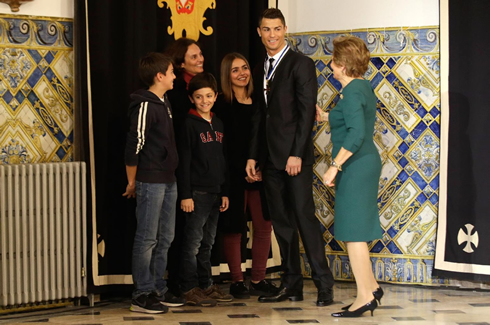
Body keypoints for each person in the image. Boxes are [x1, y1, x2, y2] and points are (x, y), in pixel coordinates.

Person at [245, 8, 334, 306]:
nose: (272, 35)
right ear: (259, 31)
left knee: (304, 219)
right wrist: (252, 156)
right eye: (266, 29)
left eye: (277, 29)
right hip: (269, 159)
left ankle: (324, 285)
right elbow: (260, 115)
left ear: (285, 30)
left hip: (294, 158)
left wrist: (296, 153)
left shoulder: (301, 63)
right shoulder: (260, 69)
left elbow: (307, 111)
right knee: (281, 223)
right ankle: (292, 285)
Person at [316, 35, 383, 318]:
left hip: (355, 165)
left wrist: (335, 166)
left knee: (354, 233)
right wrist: (327, 117)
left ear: (342, 64)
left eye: (333, 61)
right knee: (357, 230)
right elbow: (356, 119)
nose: (331, 66)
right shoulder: (361, 87)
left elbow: (356, 133)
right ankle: (372, 287)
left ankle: (365, 297)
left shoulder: (353, 91)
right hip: (364, 163)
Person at [123, 52, 186, 314]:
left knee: (165, 237)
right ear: (159, 76)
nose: (175, 76)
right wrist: (132, 181)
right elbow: (133, 145)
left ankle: (158, 286)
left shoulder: (165, 101)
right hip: (150, 180)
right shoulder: (145, 104)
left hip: (168, 179)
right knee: (147, 238)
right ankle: (142, 293)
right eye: (171, 72)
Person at [215, 53, 278, 299]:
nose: (242, 73)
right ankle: (237, 280)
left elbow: (263, 139)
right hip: (232, 174)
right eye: (235, 70)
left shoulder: (260, 102)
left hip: (259, 173)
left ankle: (259, 279)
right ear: (226, 76)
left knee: (264, 226)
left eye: (244, 68)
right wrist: (243, 169)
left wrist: (259, 167)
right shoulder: (221, 105)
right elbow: (224, 146)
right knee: (234, 228)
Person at [177, 72, 233, 307]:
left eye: (209, 96)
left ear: (216, 96)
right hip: (197, 193)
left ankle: (206, 284)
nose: (204, 101)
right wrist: (186, 194)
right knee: (192, 242)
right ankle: (188, 287)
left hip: (215, 191)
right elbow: (185, 162)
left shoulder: (218, 123)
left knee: (208, 242)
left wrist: (225, 191)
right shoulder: (188, 124)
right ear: (191, 99)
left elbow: (223, 158)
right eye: (199, 97)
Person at [164, 37, 205, 297]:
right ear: (180, 63)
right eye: (194, 56)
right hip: (180, 163)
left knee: (198, 234)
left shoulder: (205, 85)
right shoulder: (175, 91)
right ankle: (178, 283)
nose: (200, 59)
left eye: (200, 54)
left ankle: (197, 281)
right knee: (179, 230)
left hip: (202, 164)